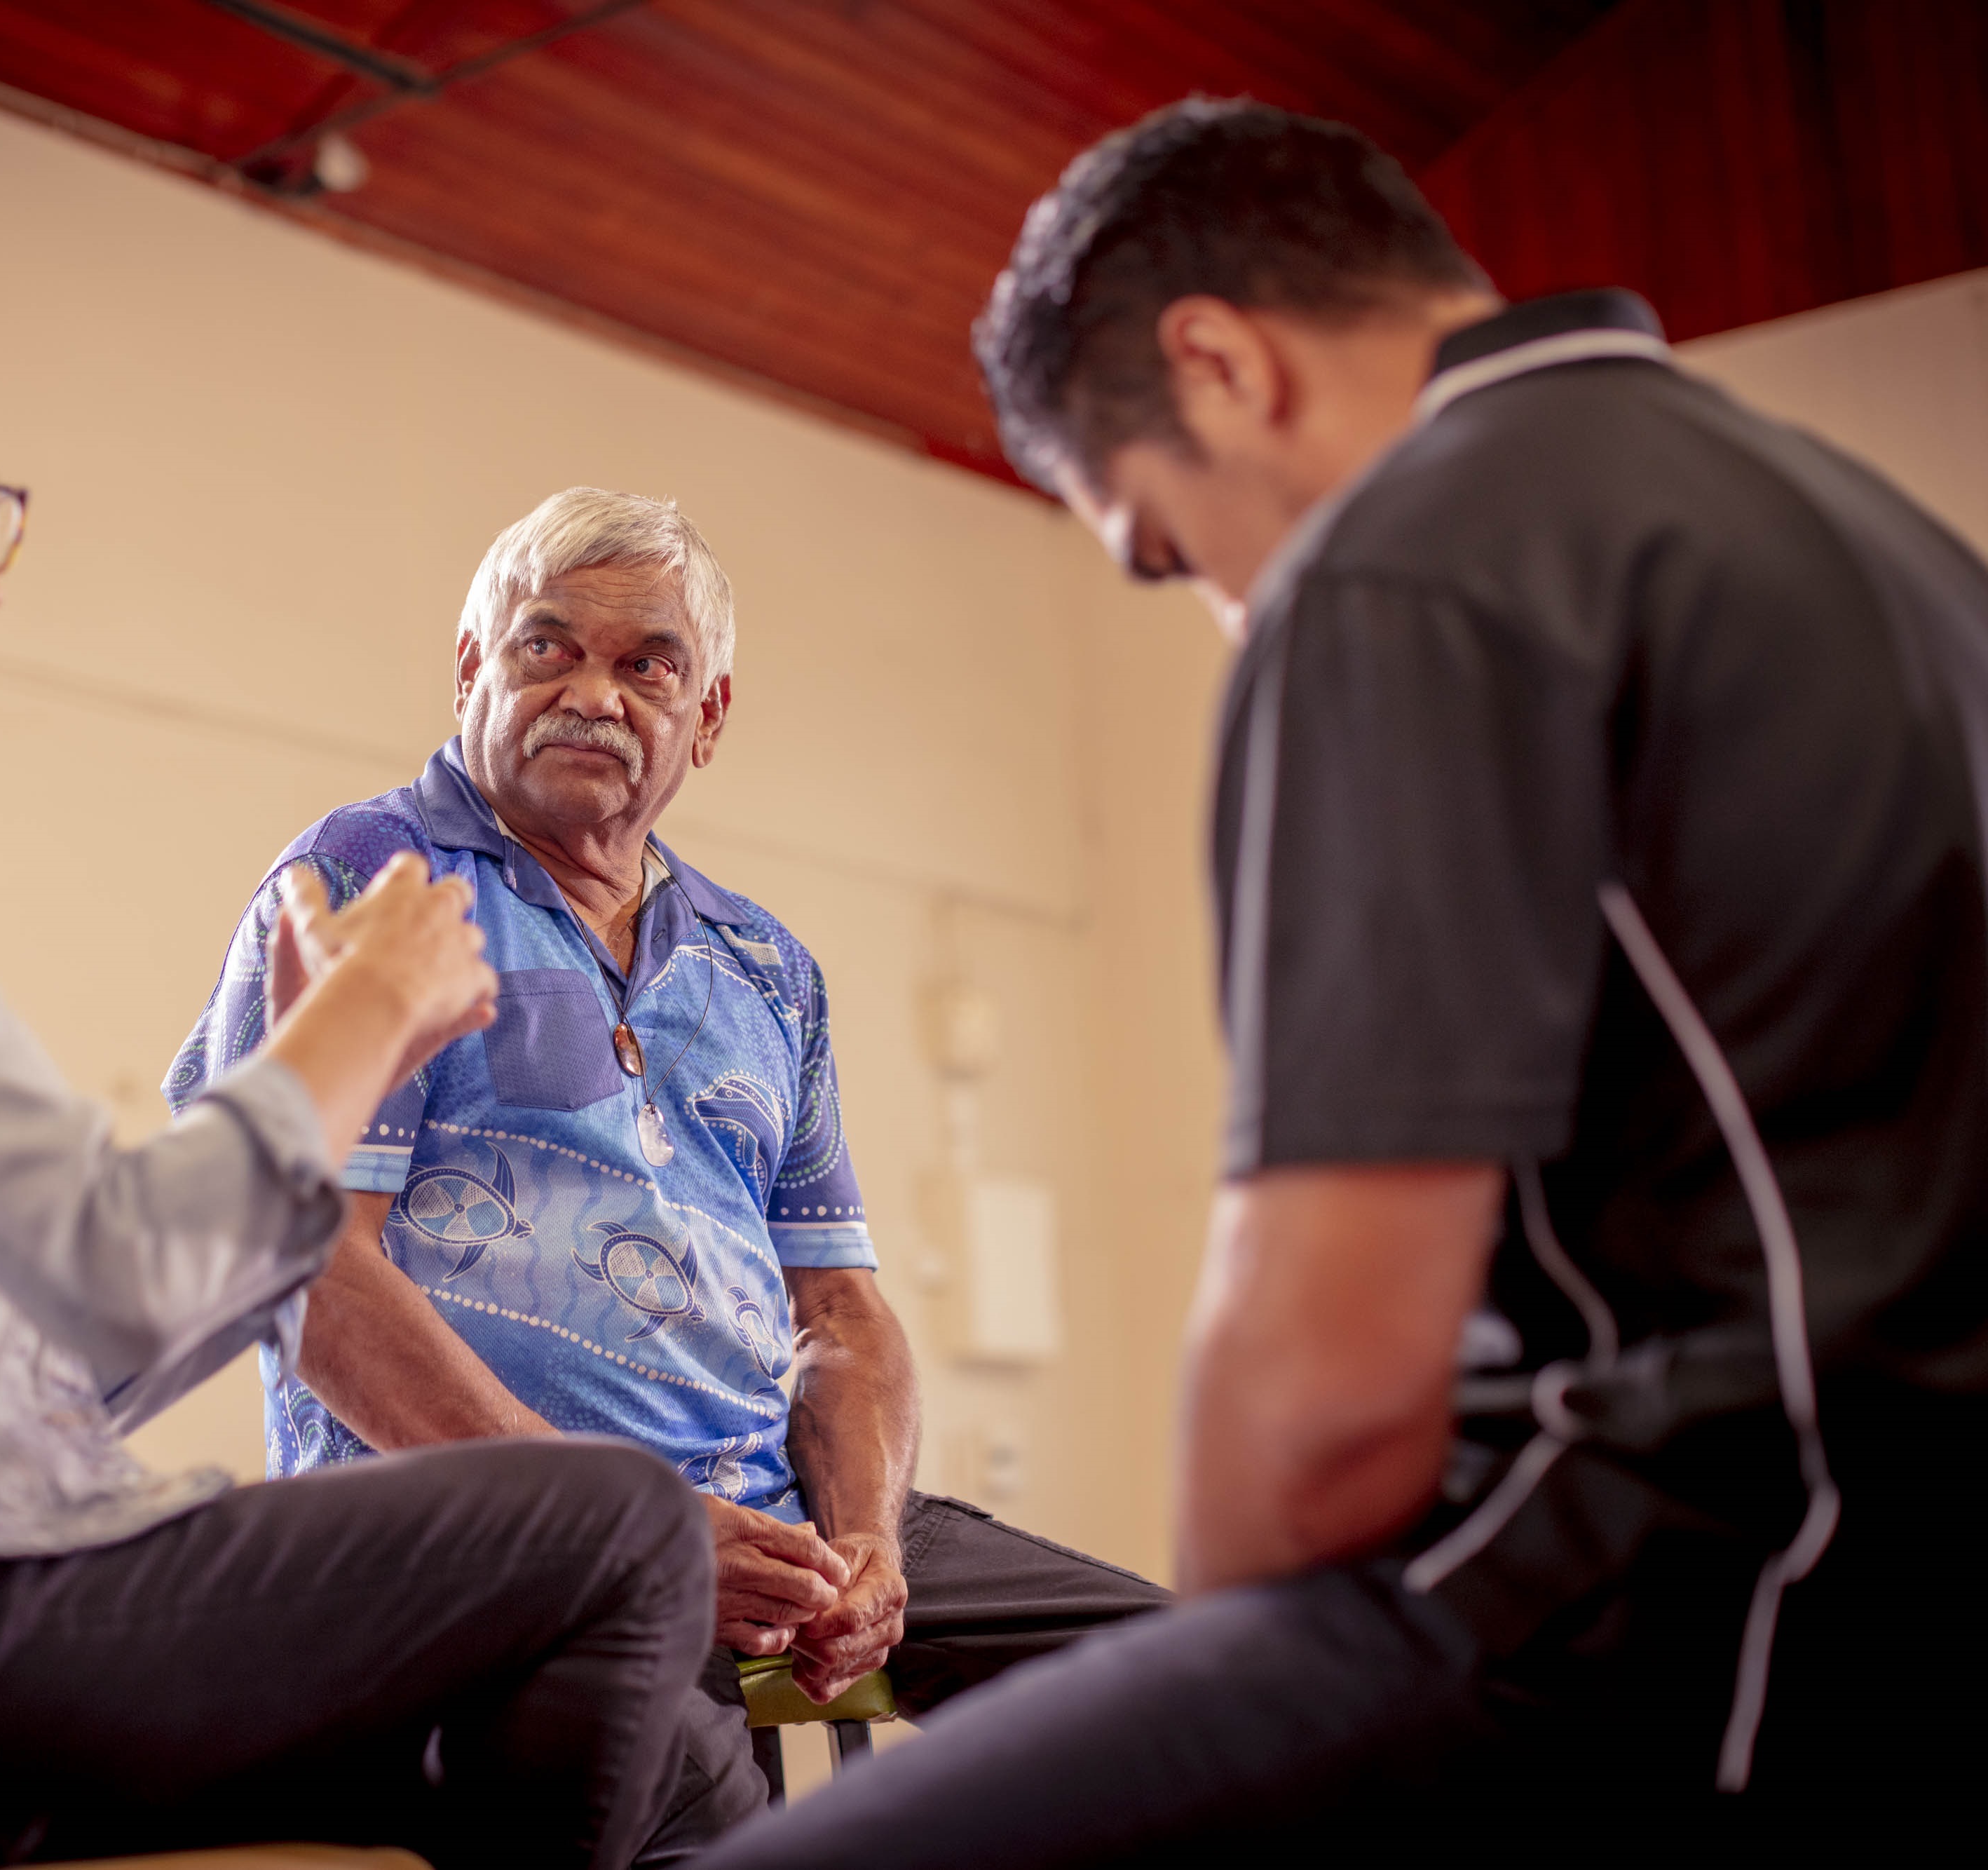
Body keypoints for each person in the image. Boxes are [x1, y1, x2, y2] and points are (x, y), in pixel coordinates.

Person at [696, 99, 1988, 1866]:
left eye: (1163, 546)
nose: (1225, 610)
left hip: (1673, 1604)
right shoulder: (1888, 543)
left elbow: (1321, 1399)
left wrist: (1219, 1735)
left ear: (1218, 364)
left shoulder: (1405, 560)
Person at [0, 301, 719, 1870]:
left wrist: (331, 1077)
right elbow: (113, 1259)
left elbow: (71, 1318)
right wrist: (346, 1030)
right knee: (618, 1520)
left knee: (692, 1763)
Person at [167, 487, 1170, 1840]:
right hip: (493, 1546)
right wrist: (627, 1522)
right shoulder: (371, 876)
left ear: (708, 717)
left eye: (649, 664)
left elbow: (841, 1310)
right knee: (688, 1787)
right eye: (546, 646)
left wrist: (865, 1541)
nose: (594, 691)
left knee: (1190, 1692)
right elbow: (305, 1268)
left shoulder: (766, 968)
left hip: (771, 1522)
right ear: (473, 669)